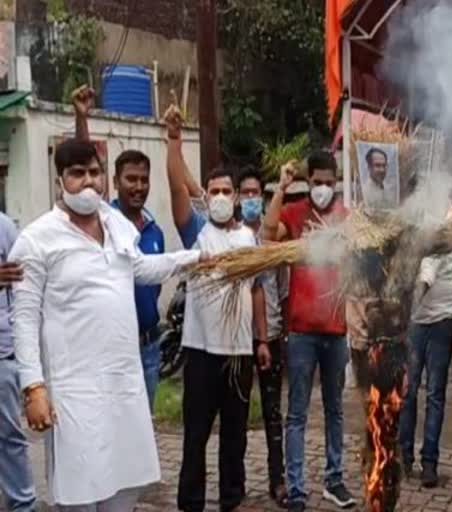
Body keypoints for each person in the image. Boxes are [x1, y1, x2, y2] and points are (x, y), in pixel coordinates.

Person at [10, 138, 202, 511]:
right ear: (60, 181)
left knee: (125, 483)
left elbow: (142, 268)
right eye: (77, 174)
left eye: (94, 172)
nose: (87, 182)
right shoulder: (37, 239)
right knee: (80, 487)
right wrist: (33, 387)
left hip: (123, 381)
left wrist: (196, 259)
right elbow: (24, 317)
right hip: (74, 390)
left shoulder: (116, 225)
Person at [162, 104, 270, 512]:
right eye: (216, 191)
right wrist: (173, 141)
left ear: (238, 198)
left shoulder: (249, 240)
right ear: (207, 197)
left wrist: (262, 339)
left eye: (229, 191)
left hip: (240, 353)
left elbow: (257, 290)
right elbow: (176, 188)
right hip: (201, 352)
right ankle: (191, 503)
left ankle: (231, 500)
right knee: (195, 436)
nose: (223, 197)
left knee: (236, 437)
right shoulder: (197, 232)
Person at [263, 155, 355, 512]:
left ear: (336, 182)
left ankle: (334, 480)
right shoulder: (295, 212)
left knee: (335, 409)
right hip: (301, 330)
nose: (322, 189)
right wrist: (281, 188)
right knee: (297, 413)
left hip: (335, 330)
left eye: (328, 182)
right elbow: (268, 237)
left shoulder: (347, 219)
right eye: (316, 181)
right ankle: (297, 489)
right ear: (308, 182)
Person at [72, 85, 165, 411]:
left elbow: (153, 289)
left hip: (150, 348)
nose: (138, 187)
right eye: (131, 179)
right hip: (112, 350)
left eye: (143, 179)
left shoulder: (156, 231)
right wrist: (81, 118)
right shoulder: (104, 220)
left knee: (143, 430)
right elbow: (83, 165)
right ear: (115, 181)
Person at [236, 166, 289, 507]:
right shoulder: (234, 235)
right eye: (247, 193)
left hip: (270, 332)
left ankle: (278, 480)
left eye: (257, 193)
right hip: (238, 339)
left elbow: (282, 286)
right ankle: (235, 482)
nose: (251, 198)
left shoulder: (276, 234)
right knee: (236, 413)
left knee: (273, 413)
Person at [398, 250, 452, 488]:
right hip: (416, 322)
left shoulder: (443, 225)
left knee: (435, 393)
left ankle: (429, 462)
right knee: (408, 391)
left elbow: (427, 274)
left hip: (442, 319)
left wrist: (404, 314)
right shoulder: (411, 226)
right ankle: (404, 456)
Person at [0, 214, 36, 512]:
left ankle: (22, 505)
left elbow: (21, 287)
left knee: (10, 437)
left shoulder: (4, 227)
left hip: (2, 354)